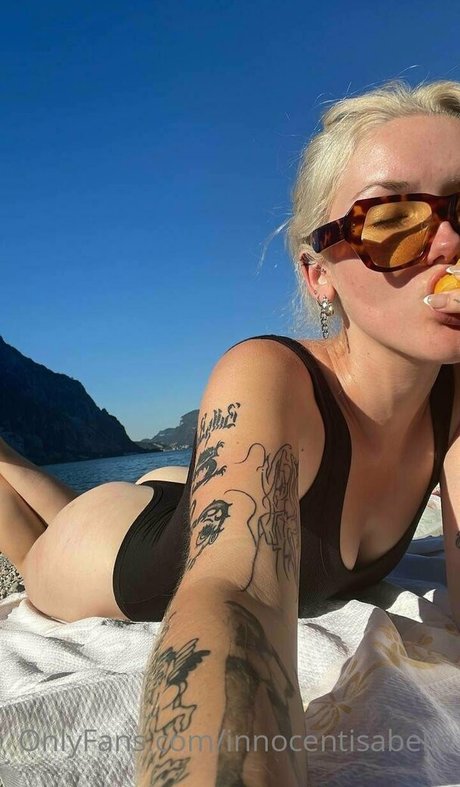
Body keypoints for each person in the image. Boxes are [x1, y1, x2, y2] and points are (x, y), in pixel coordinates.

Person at [2, 79, 460, 785]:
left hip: (200, 497)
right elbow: (235, 594)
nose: (450, 242)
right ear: (319, 274)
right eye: (394, 218)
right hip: (113, 547)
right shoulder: (271, 375)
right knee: (35, 544)